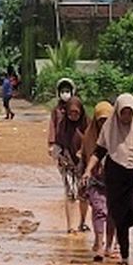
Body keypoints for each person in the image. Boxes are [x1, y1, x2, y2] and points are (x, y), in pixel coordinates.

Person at [81, 93, 133, 265]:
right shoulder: (110, 129)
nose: (126, 117)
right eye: (123, 113)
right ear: (118, 113)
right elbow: (99, 152)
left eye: (130, 113)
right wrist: (88, 170)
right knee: (120, 216)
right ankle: (125, 256)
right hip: (116, 179)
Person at [47, 79, 89, 233]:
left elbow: (93, 139)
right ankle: (70, 226)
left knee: (84, 194)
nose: (73, 115)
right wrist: (53, 148)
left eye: (67, 91)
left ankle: (82, 222)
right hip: (66, 159)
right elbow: (54, 131)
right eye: (62, 91)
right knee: (70, 192)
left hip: (84, 163)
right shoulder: (58, 115)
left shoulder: (86, 122)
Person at [80, 100, 116, 261]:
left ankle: (109, 245)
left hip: (115, 179)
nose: (104, 124)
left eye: (107, 120)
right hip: (95, 179)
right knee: (99, 210)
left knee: (112, 213)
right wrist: (85, 174)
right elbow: (85, 157)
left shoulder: (119, 135)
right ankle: (99, 244)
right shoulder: (89, 136)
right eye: (101, 120)